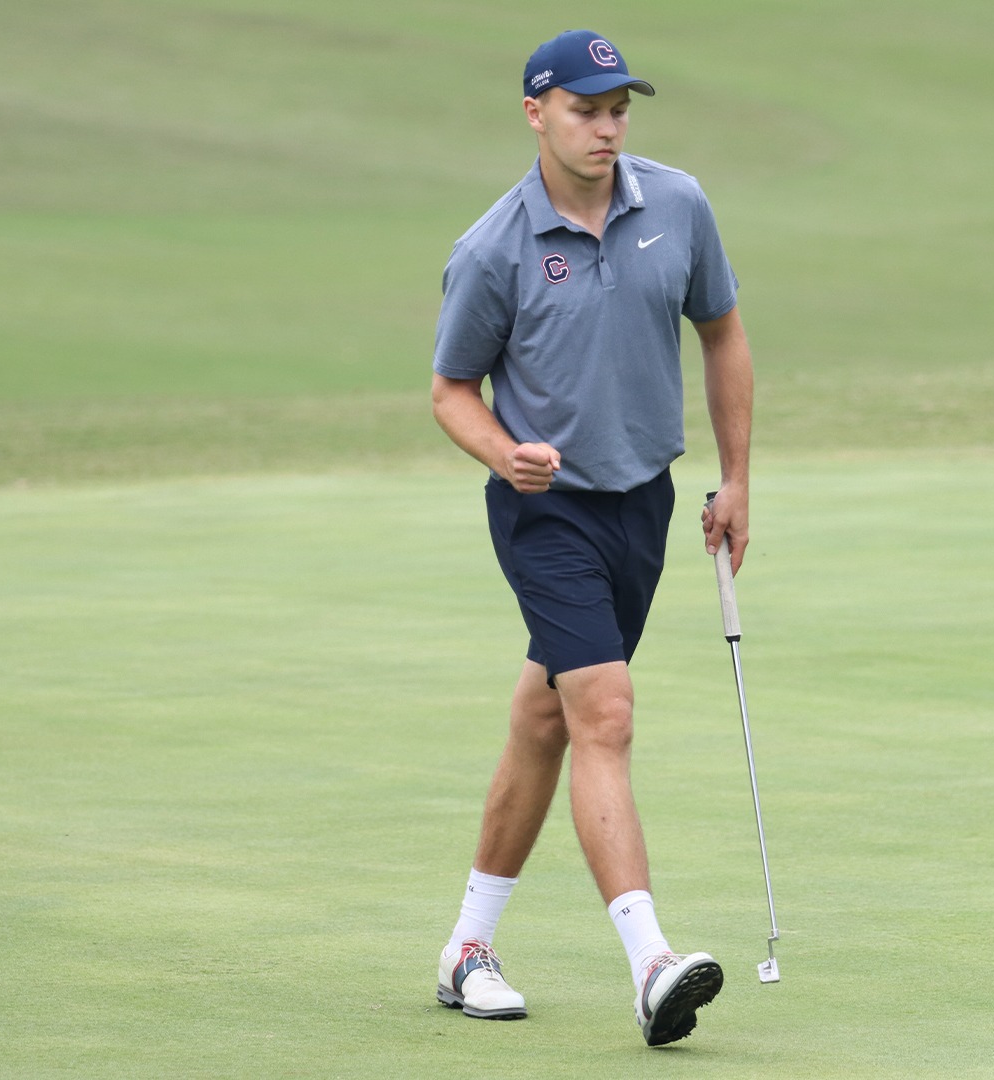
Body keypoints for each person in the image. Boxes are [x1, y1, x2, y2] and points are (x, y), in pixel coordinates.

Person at [427, 29, 754, 1047]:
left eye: (619, 109)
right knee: (603, 710)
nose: (607, 126)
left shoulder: (680, 206)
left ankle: (467, 951)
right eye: (585, 108)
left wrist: (738, 477)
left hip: (643, 504)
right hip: (546, 510)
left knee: (548, 715)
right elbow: (451, 391)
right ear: (537, 113)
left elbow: (724, 335)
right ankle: (651, 960)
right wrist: (500, 452)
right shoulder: (494, 249)